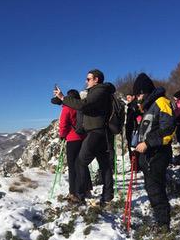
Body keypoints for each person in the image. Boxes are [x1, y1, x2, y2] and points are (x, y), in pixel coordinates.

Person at [54, 69, 114, 205]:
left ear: (96, 79)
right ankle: (107, 196)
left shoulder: (99, 91)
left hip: (95, 133)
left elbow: (82, 105)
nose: (86, 81)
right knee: (104, 165)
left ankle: (79, 195)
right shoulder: (102, 92)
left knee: (79, 163)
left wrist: (63, 98)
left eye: (88, 79)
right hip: (101, 133)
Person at [133, 73, 175, 231]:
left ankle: (163, 225)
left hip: (157, 154)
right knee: (152, 189)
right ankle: (160, 220)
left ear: (145, 91)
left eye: (139, 94)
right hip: (149, 156)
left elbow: (168, 130)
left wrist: (148, 143)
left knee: (156, 189)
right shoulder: (150, 106)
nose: (138, 97)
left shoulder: (161, 102)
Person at [58, 89, 92, 201]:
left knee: (72, 167)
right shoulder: (81, 107)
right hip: (83, 138)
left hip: (72, 140)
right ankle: (87, 190)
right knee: (82, 164)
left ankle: (73, 192)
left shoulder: (67, 108)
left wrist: (62, 136)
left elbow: (63, 124)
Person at [125, 94, 141, 160]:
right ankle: (134, 164)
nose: (127, 99)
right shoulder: (129, 106)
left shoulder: (134, 105)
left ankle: (135, 164)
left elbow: (137, 116)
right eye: (127, 98)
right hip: (130, 127)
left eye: (129, 97)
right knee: (132, 146)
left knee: (133, 146)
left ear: (133, 97)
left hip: (133, 128)